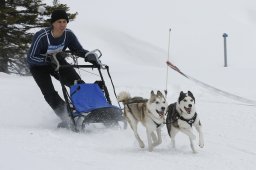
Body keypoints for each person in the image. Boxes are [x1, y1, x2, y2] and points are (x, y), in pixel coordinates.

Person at [27, 9, 99, 128]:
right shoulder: (41, 36)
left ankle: (89, 111)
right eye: (59, 22)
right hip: (38, 66)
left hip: (58, 62)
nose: (62, 25)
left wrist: (88, 55)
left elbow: (78, 50)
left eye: (64, 21)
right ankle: (66, 116)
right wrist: (47, 60)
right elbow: (31, 58)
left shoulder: (68, 34)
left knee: (78, 84)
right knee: (49, 93)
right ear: (53, 23)